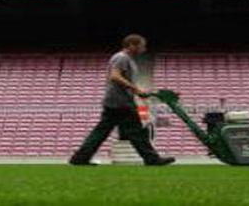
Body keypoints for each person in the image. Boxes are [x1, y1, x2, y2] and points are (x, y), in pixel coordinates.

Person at [69, 34, 175, 166]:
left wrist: (137, 92)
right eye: (142, 46)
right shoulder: (122, 58)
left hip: (116, 101)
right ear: (132, 45)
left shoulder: (126, 59)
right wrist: (135, 89)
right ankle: (152, 159)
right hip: (120, 102)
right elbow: (115, 76)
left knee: (102, 132)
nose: (144, 49)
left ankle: (80, 158)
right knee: (137, 132)